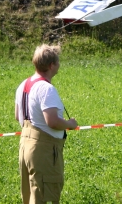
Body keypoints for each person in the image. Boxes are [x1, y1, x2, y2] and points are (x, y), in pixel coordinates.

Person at [15, 44, 78, 204]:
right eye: (58, 61)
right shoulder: (46, 89)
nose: (59, 65)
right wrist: (70, 124)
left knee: (30, 196)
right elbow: (52, 121)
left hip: (25, 145)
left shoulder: (23, 85)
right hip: (43, 150)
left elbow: (18, 116)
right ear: (51, 65)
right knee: (45, 195)